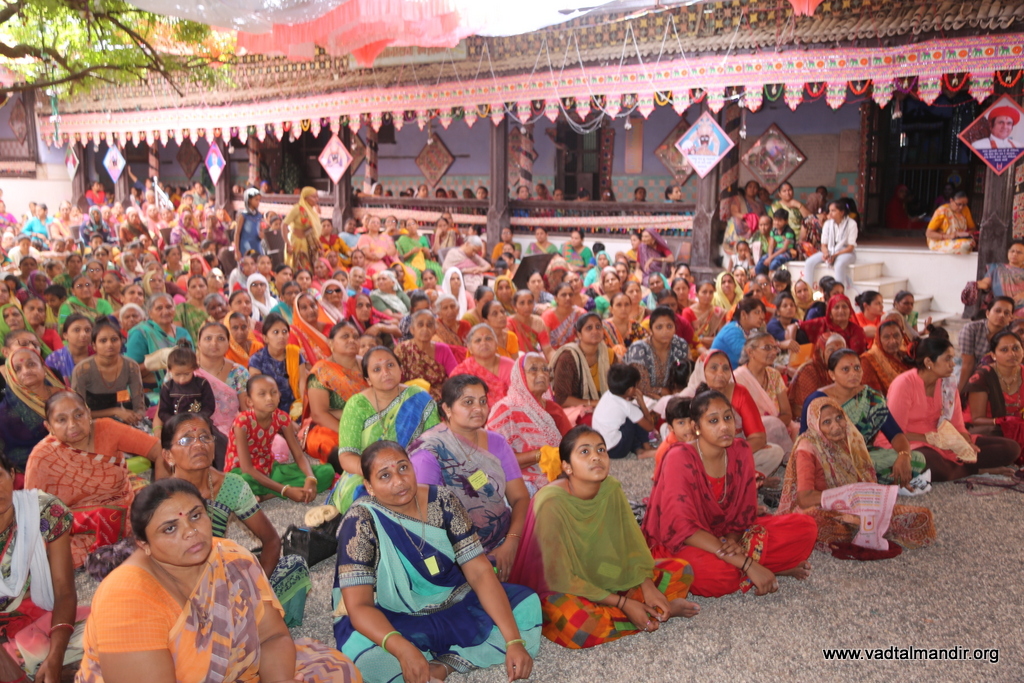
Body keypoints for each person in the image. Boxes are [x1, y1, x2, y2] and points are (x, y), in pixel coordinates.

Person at [77, 478, 358, 683]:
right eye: (170, 528)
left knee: (337, 670)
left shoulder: (231, 558)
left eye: (196, 516)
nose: (190, 531)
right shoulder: (125, 598)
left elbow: (272, 636)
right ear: (144, 544)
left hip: (239, 674)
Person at [333, 441, 538, 683]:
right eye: (385, 476)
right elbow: (359, 606)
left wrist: (513, 641)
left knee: (527, 606)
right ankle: (420, 656)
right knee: (367, 659)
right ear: (369, 486)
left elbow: (480, 572)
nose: (399, 481)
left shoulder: (442, 500)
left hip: (454, 600)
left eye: (403, 468)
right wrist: (402, 649)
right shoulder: (360, 522)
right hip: (393, 614)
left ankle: (443, 666)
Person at [508, 425, 697, 648]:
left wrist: (647, 586)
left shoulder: (611, 488)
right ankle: (649, 613)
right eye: (585, 452)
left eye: (601, 450)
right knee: (578, 626)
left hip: (601, 571)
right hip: (559, 586)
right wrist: (624, 603)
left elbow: (631, 545)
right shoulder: (550, 502)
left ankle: (639, 610)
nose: (596, 457)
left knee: (682, 570)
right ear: (567, 466)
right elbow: (559, 577)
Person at [642, 390, 817, 597]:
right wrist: (745, 562)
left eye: (728, 418)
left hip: (726, 537)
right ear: (696, 427)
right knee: (718, 576)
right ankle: (762, 569)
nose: (724, 426)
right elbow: (683, 529)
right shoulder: (679, 457)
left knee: (806, 528)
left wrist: (731, 541)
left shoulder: (740, 450)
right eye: (713, 421)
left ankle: (751, 569)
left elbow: (743, 515)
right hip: (685, 541)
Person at [163, 412, 312, 625]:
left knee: (294, 566)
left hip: (221, 581)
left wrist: (256, 590)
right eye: (186, 440)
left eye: (205, 437)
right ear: (168, 455)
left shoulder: (231, 486)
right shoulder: (162, 499)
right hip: (182, 591)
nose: (198, 445)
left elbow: (271, 541)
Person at [781, 396, 936, 558]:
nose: (836, 426)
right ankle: (868, 528)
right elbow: (804, 499)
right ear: (815, 424)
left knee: (922, 517)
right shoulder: (807, 447)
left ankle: (864, 527)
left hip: (858, 508)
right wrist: (846, 497)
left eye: (839, 418)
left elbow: (866, 482)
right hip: (825, 510)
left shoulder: (851, 438)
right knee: (818, 524)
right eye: (826, 422)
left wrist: (869, 502)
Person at [26, 391, 163, 568]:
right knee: (50, 560)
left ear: (89, 413)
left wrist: (162, 495)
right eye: (61, 420)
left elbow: (158, 451)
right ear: (49, 426)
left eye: (78, 415)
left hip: (125, 509)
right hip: (78, 526)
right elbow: (32, 509)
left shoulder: (108, 429)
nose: (72, 425)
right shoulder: (42, 457)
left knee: (159, 520)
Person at [410, 375, 529, 574]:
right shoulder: (430, 452)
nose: (478, 408)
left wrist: (512, 542)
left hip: (503, 540)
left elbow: (520, 498)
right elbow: (423, 518)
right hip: (454, 554)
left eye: (482, 401)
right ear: (447, 409)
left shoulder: (498, 443)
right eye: (468, 402)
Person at [886, 336, 1020, 482]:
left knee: (1011, 448)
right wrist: (935, 440)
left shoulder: (948, 384)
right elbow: (896, 433)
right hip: (909, 443)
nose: (953, 364)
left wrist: (965, 444)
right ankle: (975, 469)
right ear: (929, 362)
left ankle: (959, 467)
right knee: (932, 465)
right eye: (947, 359)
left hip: (947, 439)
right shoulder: (904, 384)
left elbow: (958, 425)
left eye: (953, 358)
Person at [333, 347, 440, 513]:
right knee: (364, 501)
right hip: (366, 473)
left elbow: (434, 443)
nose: (386, 372)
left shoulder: (419, 398)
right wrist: (378, 474)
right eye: (377, 369)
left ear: (400, 369)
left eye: (390, 365)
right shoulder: (356, 405)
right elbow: (347, 456)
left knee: (432, 492)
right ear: (368, 379)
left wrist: (404, 471)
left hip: (412, 468)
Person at [798, 348, 925, 487]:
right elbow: (804, 441)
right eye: (845, 369)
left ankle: (860, 482)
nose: (853, 373)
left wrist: (904, 455)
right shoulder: (817, 400)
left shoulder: (871, 398)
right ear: (832, 374)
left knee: (917, 459)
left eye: (857, 368)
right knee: (847, 468)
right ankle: (865, 482)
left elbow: (895, 435)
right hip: (827, 461)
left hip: (861, 457)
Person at [223, 375, 333, 499]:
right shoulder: (242, 422)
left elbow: (298, 455)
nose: (269, 398)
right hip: (242, 473)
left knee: (326, 472)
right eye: (262, 394)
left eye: (273, 392)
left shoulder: (282, 418)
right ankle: (273, 493)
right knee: (238, 485)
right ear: (249, 401)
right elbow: (247, 468)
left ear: (279, 395)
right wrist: (286, 491)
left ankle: (262, 495)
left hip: (269, 469)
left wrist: (310, 478)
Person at [684, 350, 786, 477]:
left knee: (775, 452)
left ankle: (740, 478)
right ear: (702, 371)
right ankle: (743, 477)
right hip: (706, 453)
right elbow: (686, 436)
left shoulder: (739, 393)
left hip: (734, 451)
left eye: (725, 368)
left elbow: (758, 437)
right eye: (714, 368)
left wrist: (729, 454)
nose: (720, 373)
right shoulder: (690, 397)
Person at [487, 354, 572, 494]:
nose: (542, 374)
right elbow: (495, 459)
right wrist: (540, 455)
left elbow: (570, 445)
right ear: (520, 375)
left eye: (545, 369)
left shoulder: (554, 409)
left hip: (559, 474)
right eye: (533, 369)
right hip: (520, 481)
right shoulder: (505, 410)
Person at [299, 321, 367, 467]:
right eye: (345, 336)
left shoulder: (367, 364)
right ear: (331, 343)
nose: (352, 340)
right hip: (333, 427)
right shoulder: (321, 371)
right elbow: (318, 414)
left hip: (368, 420)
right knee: (331, 445)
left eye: (356, 337)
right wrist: (350, 433)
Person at [0, 348, 65, 472]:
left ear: (44, 368)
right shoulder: (5, 413)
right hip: (34, 471)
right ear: (11, 377)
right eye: (17, 369)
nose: (26, 371)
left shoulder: (66, 395)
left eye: (31, 364)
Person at [71, 320, 146, 425]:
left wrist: (137, 416)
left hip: (122, 414)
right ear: (94, 345)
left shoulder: (131, 366)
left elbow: (139, 406)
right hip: (91, 420)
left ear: (121, 342)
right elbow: (78, 412)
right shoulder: (82, 370)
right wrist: (114, 412)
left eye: (114, 339)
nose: (110, 345)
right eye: (103, 341)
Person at [734, 331, 796, 453]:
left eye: (774, 348)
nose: (773, 352)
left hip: (778, 429)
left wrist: (774, 427)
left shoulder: (774, 375)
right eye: (767, 348)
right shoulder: (737, 379)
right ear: (750, 352)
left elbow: (787, 413)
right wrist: (766, 428)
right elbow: (739, 421)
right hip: (750, 435)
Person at [126, 294, 193, 399]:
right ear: (150, 313)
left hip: (184, 388)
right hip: (149, 392)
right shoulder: (141, 333)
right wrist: (154, 361)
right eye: (159, 308)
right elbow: (129, 372)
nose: (165, 312)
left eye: (169, 307)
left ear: (174, 309)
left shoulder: (182, 332)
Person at [551, 313, 614, 423]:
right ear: (579, 334)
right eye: (589, 328)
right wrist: (594, 403)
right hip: (575, 412)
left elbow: (618, 387)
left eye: (598, 327)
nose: (595, 331)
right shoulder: (568, 358)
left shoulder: (608, 355)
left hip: (604, 406)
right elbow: (562, 400)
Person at [965, 330, 1024, 440]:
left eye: (1016, 348)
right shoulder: (982, 377)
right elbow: (976, 419)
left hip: (1018, 428)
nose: (1012, 354)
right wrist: (1003, 421)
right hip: (988, 430)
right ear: (993, 355)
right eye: (1004, 350)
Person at [593, 364, 658, 459]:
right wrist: (642, 404)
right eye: (637, 386)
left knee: (628, 419)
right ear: (630, 390)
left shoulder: (607, 394)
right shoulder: (627, 407)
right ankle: (646, 447)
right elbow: (650, 427)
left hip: (602, 448)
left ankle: (638, 450)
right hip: (617, 450)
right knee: (636, 414)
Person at [626, 306, 690, 399]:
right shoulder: (639, 349)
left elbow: (685, 378)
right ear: (651, 329)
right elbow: (642, 388)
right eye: (659, 327)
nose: (665, 331)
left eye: (669, 326)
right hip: (640, 400)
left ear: (675, 328)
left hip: (673, 398)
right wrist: (664, 393)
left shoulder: (680, 345)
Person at [395, 310, 458, 402]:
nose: (425, 328)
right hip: (409, 397)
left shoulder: (443, 349)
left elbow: (456, 376)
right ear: (412, 330)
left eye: (429, 325)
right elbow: (395, 379)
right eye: (420, 325)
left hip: (440, 399)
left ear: (435, 330)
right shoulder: (402, 349)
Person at [958, 296, 1014, 394]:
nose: (1002, 315)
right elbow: (968, 364)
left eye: (1006, 313)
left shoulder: (1011, 335)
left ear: (1010, 318)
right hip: (974, 375)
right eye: (997, 311)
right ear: (988, 313)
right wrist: (960, 392)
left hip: (1000, 378)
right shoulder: (971, 329)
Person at [801, 199, 858, 292]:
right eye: (829, 210)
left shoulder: (852, 224)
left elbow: (850, 247)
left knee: (839, 265)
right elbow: (824, 245)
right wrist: (826, 253)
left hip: (846, 252)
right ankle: (809, 292)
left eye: (833, 211)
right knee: (809, 262)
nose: (830, 213)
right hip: (830, 250)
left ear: (842, 212)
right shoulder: (828, 224)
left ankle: (839, 294)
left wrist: (834, 255)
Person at [450, 323, 514, 405]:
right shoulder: (461, 372)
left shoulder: (511, 366)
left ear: (496, 343)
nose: (484, 343)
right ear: (470, 347)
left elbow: (520, 397)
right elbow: (455, 403)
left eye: (488, 338)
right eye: (478, 340)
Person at [788, 333, 846, 417]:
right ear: (821, 352)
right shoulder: (809, 370)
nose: (837, 354)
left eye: (841, 350)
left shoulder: (845, 369)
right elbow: (812, 406)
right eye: (831, 350)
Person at [794, 293, 867, 354]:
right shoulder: (821, 323)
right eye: (836, 307)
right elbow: (796, 325)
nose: (841, 310)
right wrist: (791, 341)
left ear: (850, 311)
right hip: (819, 364)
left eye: (844, 307)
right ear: (830, 313)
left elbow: (854, 355)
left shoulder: (857, 330)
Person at [860, 315, 914, 395]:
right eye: (886, 337)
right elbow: (871, 393)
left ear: (902, 336)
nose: (893, 341)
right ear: (878, 339)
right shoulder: (869, 359)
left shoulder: (905, 354)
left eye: (896, 335)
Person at [710, 296, 764, 367]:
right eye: (757, 313)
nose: (762, 317)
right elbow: (749, 354)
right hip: (720, 371)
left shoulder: (751, 330)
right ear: (743, 315)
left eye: (762, 313)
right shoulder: (732, 330)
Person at [976, 240, 1024, 316]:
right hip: (1002, 303)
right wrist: (975, 285)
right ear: (1008, 253)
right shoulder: (997, 268)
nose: (1014, 254)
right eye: (1012, 251)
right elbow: (986, 283)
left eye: (1019, 252)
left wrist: (1022, 295)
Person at [283, 187, 322, 271]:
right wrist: (287, 243)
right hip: (295, 242)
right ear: (305, 198)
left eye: (317, 197)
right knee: (296, 267)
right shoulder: (297, 208)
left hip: (307, 242)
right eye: (314, 197)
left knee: (308, 267)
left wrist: (318, 243)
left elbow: (313, 229)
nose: (317, 199)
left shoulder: (311, 210)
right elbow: (284, 225)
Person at [508, 290, 552, 358]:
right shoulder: (509, 324)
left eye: (530, 302)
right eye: (522, 303)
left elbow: (547, 349)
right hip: (516, 360)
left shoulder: (538, 322)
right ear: (514, 307)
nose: (527, 307)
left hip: (536, 359)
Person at [290, 292, 332, 365]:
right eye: (304, 308)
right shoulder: (294, 333)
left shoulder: (330, 327)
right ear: (297, 312)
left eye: (313, 305)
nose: (310, 310)